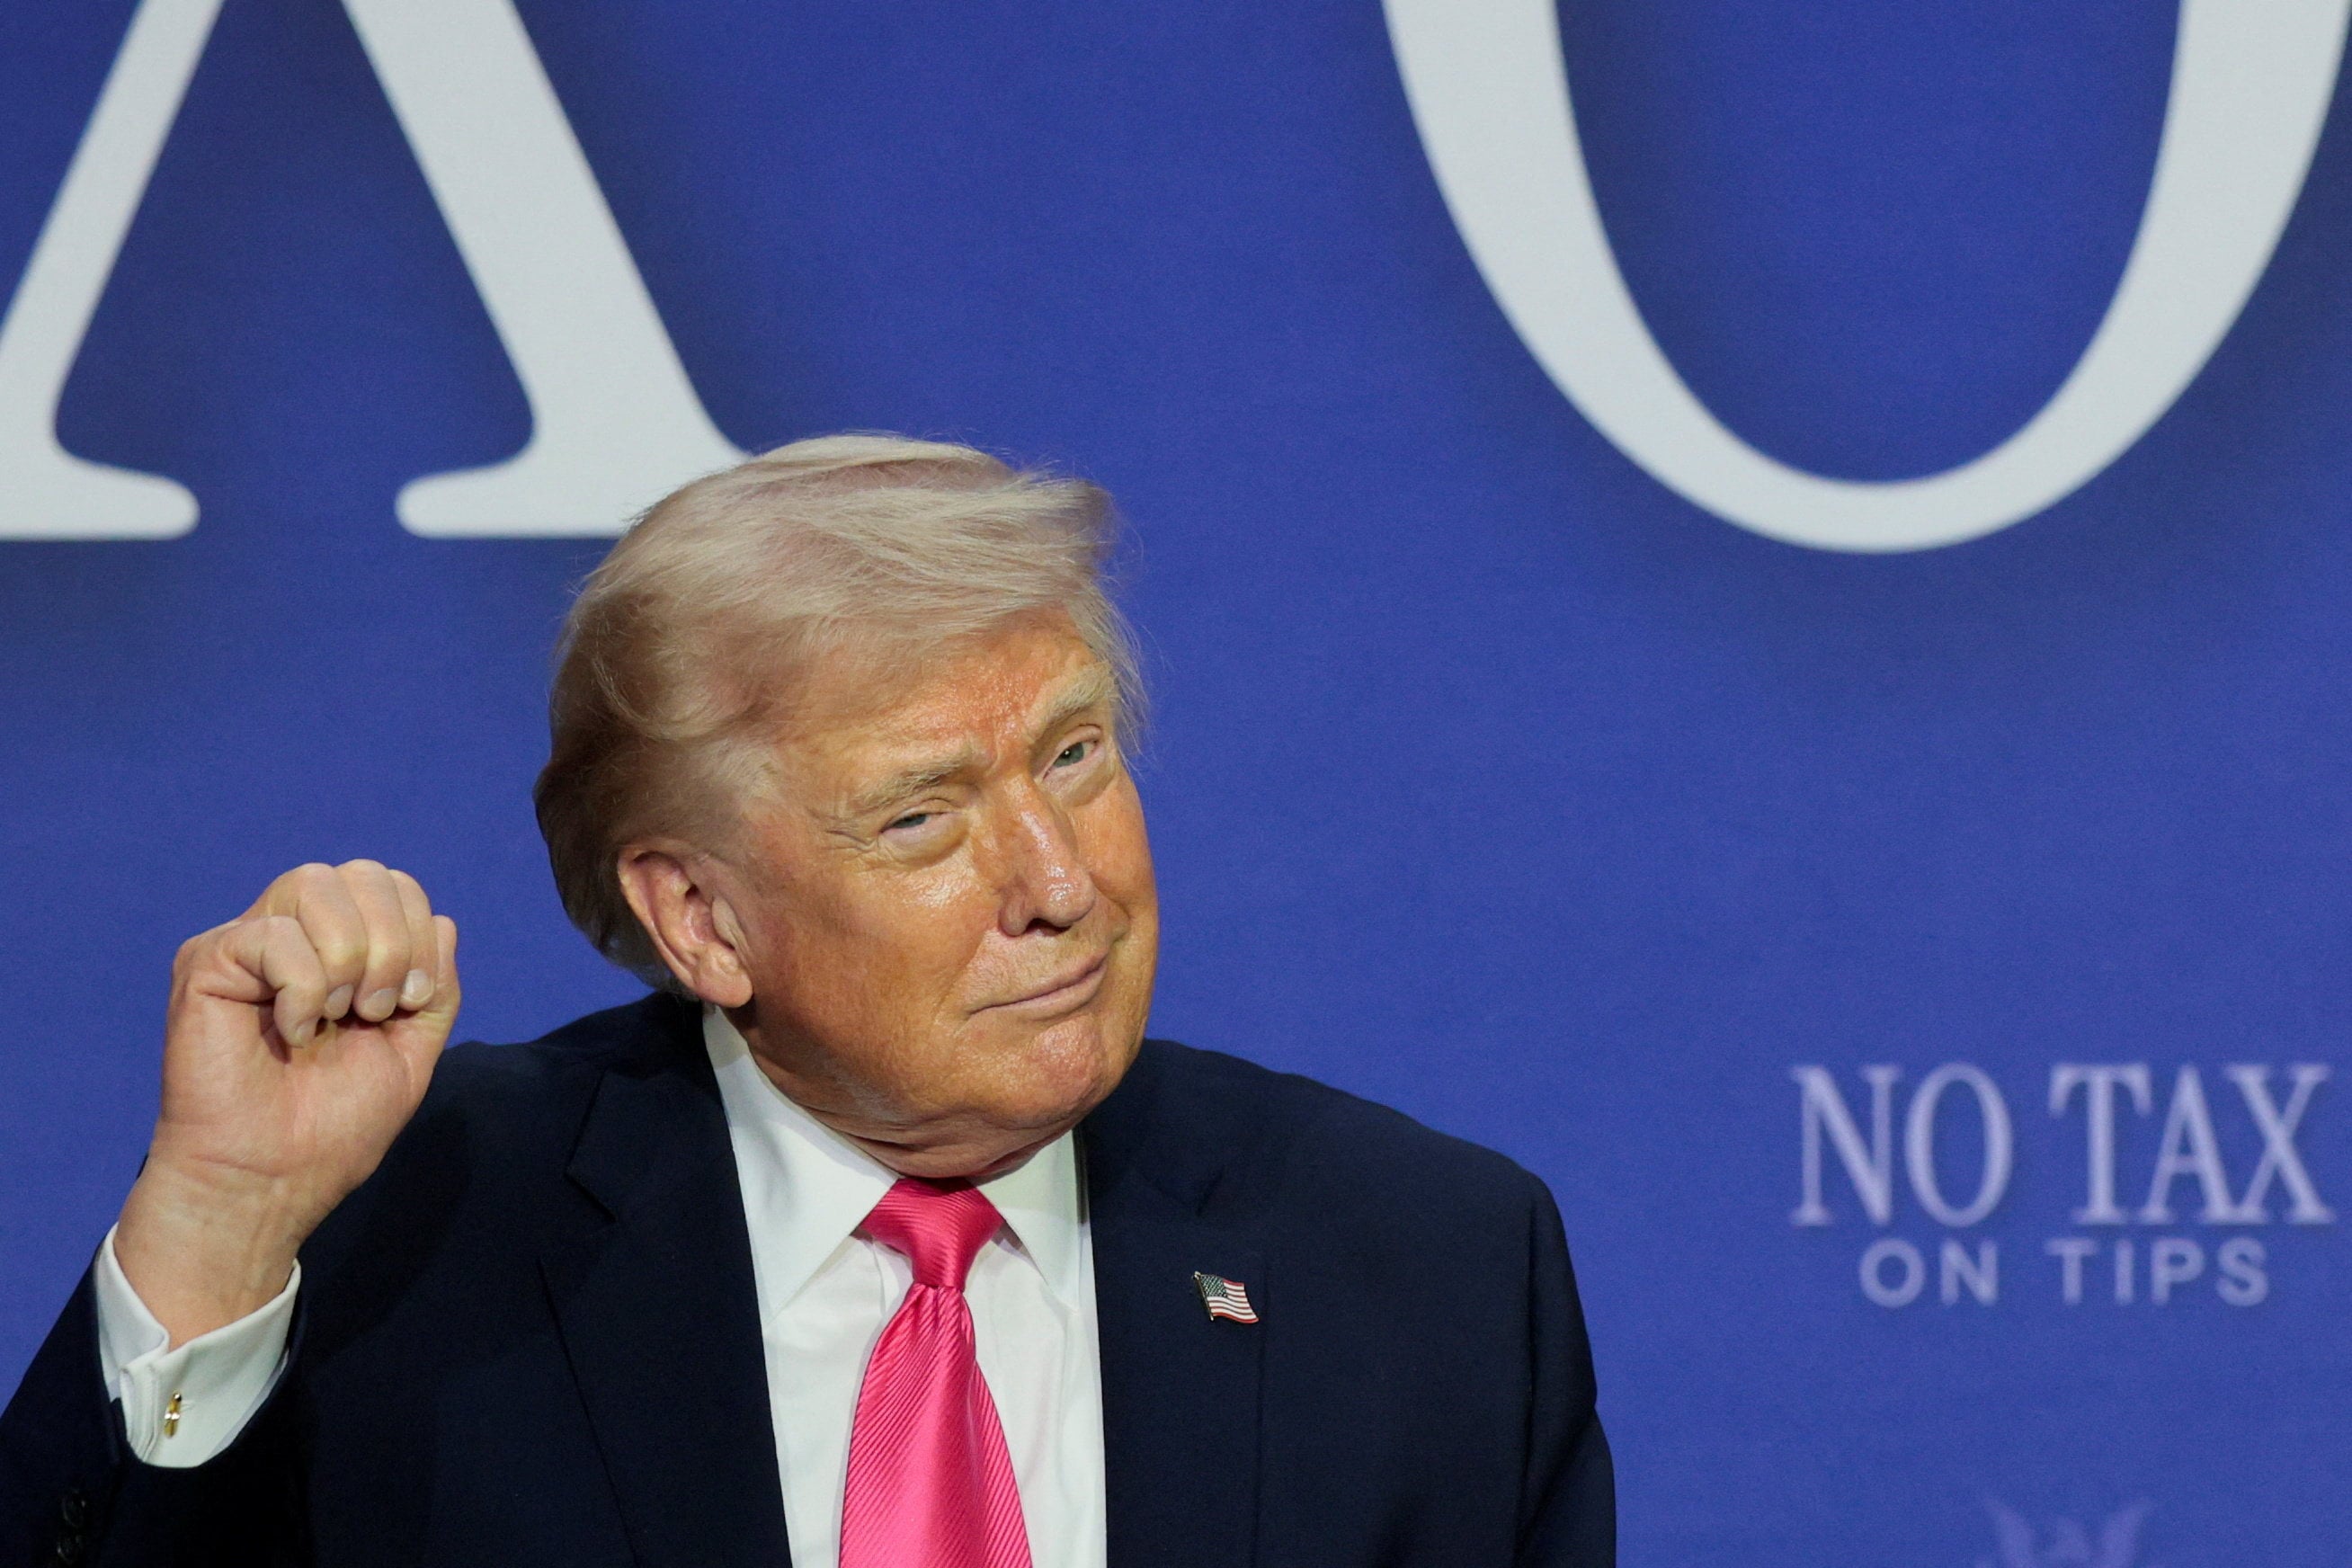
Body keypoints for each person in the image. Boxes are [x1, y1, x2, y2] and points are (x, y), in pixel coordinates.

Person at [0, 435, 1612, 1567]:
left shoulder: (1434, 1274)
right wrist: (220, 1228)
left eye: (1074, 755)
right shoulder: (412, 1233)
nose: (1059, 878)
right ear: (700, 919)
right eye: (921, 818)